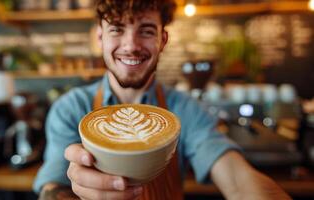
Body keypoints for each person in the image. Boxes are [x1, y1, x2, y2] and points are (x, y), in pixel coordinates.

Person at [33, 0, 292, 199]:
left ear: (162, 40)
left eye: (145, 31)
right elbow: (52, 185)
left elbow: (237, 178)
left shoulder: (186, 109)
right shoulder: (70, 108)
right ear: (99, 38)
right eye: (117, 29)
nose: (130, 45)